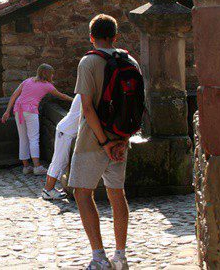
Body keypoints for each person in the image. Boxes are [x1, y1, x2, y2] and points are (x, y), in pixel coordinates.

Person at [69, 14, 138, 270]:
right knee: (116, 193)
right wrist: (120, 139)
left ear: (91, 37)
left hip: (92, 140)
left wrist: (103, 142)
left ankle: (99, 258)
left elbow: (87, 108)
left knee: (82, 193)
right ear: (115, 36)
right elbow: (135, 106)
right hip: (121, 138)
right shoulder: (129, 60)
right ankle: (120, 256)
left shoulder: (88, 62)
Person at [1, 64, 73, 176]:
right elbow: (62, 96)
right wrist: (75, 100)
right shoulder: (47, 86)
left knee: (23, 138)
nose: (53, 75)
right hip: (30, 111)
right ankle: (37, 167)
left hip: (18, 110)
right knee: (33, 138)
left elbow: (14, 95)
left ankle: (26, 167)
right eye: (52, 74)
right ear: (47, 74)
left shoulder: (28, 81)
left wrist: (7, 111)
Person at [42, 94, 82, 200]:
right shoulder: (84, 94)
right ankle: (48, 190)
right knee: (59, 160)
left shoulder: (82, 93)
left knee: (61, 161)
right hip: (66, 131)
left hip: (66, 130)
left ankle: (49, 189)